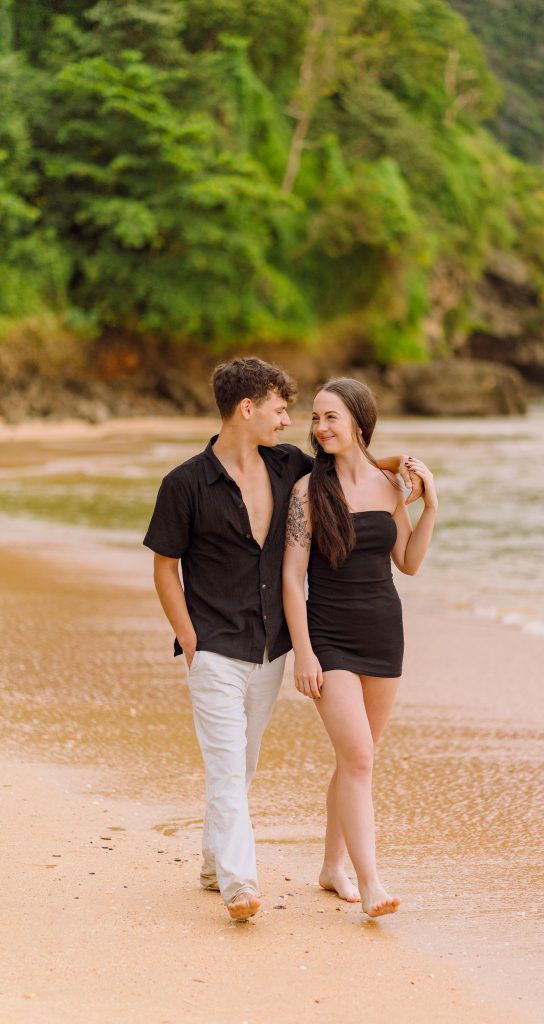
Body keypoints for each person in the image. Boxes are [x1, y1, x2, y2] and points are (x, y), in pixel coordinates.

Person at [143, 357, 419, 921]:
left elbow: (348, 464)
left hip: (268, 646)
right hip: (214, 646)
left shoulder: (286, 466)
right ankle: (241, 884)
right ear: (248, 408)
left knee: (240, 767)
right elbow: (164, 567)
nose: (292, 422)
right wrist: (189, 638)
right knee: (229, 765)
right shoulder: (184, 484)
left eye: (303, 413)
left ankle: (213, 861)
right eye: (280, 408)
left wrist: (400, 472)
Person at [282, 377, 437, 918]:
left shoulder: (391, 486)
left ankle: (331, 866)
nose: (320, 428)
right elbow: (290, 577)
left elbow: (409, 563)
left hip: (383, 635)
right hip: (330, 637)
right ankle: (370, 882)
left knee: (355, 761)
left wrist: (431, 507)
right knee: (360, 759)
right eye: (316, 418)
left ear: (358, 423)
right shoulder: (307, 491)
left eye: (332, 418)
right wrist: (303, 651)